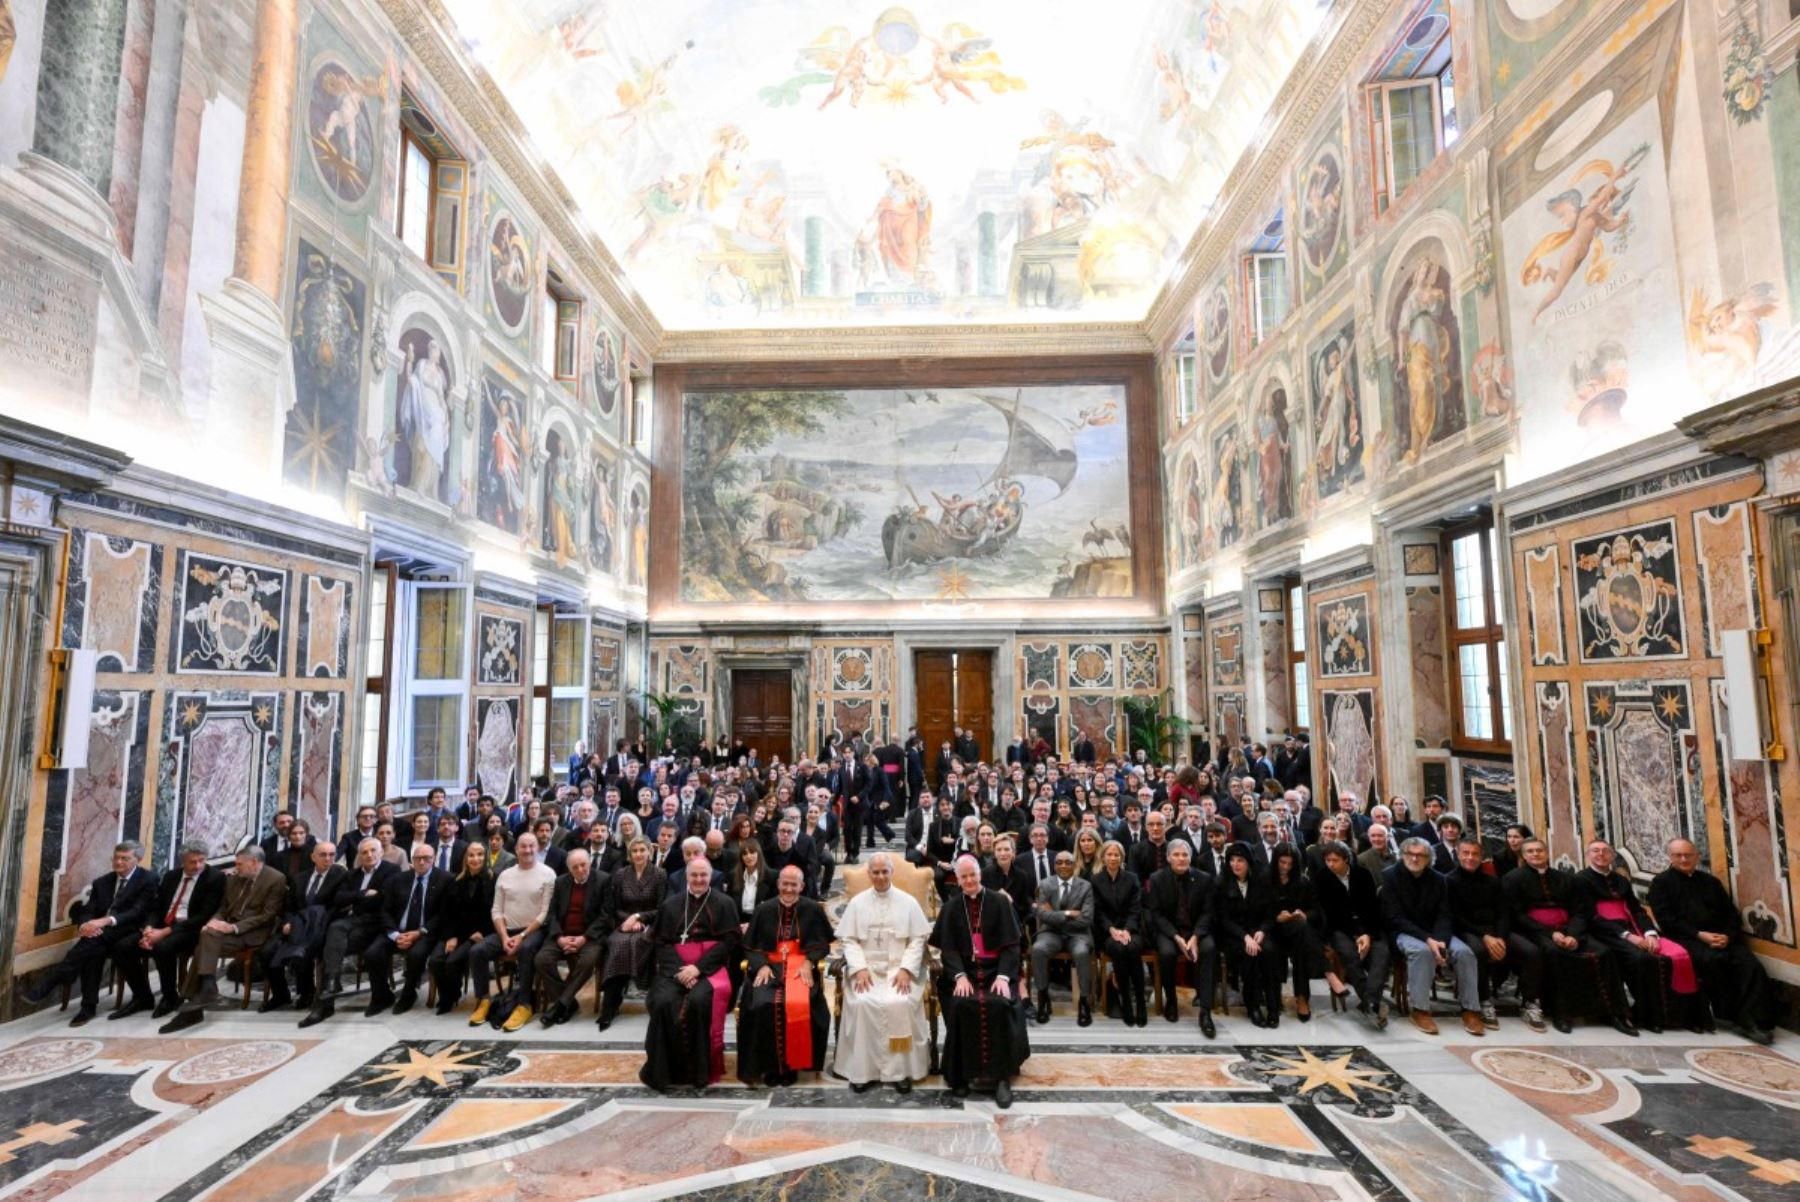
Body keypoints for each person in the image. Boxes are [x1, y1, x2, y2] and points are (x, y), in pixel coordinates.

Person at [1648, 837, 1778, 1043]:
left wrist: (1728, 936)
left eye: (1688, 855)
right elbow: (1667, 920)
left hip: (1720, 937)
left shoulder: (1711, 882)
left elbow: (1731, 915)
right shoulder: (1661, 883)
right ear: (1670, 857)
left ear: (1697, 856)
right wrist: (1699, 935)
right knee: (1714, 962)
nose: (1684, 859)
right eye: (1678, 855)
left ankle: (1759, 1020)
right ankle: (1739, 1018)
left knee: (1750, 964)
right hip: (1686, 938)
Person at [1502, 838, 1633, 1035]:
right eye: (1530, 851)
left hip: (1569, 929)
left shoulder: (1566, 878)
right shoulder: (1512, 878)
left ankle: (1614, 1013)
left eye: (1539, 850)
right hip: (1534, 931)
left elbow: (1579, 911)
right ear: (1523, 855)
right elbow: (1517, 915)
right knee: (1555, 953)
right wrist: (1550, 933)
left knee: (1604, 952)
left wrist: (1573, 935)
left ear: (1547, 853)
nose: (1536, 854)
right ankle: (1561, 1013)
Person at [931, 856, 1029, 1108]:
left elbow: (1012, 946)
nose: (969, 880)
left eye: (972, 875)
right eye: (963, 877)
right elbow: (949, 950)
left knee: (1001, 1004)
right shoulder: (951, 907)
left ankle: (1002, 1077)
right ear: (957, 879)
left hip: (997, 971)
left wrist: (1005, 976)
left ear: (980, 875)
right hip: (966, 972)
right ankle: (960, 1074)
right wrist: (959, 976)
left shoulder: (999, 902)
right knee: (961, 1004)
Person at [158, 846, 289, 1033]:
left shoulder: (275, 879)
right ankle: (205, 990)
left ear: (254, 862)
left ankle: (195, 1001)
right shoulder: (235, 879)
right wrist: (214, 921)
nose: (236, 867)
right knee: (207, 936)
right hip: (227, 930)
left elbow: (267, 916)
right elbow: (223, 908)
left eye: (239, 864)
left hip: (253, 932)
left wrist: (234, 927)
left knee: (203, 946)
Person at [1575, 839, 1700, 1034]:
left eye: (1605, 851)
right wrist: (1628, 936)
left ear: (1613, 856)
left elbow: (1637, 911)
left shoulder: (1621, 880)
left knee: (1664, 957)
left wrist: (1650, 933)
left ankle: (1664, 1016)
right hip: (1602, 931)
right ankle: (1637, 1015)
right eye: (1595, 851)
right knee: (1640, 958)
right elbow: (1591, 916)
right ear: (1587, 855)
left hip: (1631, 927)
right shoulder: (1580, 880)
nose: (1601, 854)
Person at [24, 841, 155, 1025]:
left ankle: (59, 987)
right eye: (116, 858)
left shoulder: (148, 879)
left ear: (138, 859)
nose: (118, 862)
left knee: (92, 943)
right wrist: (85, 925)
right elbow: (88, 910)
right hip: (103, 933)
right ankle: (87, 1006)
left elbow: (137, 911)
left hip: (132, 929)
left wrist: (105, 921)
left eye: (125, 859)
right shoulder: (102, 882)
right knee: (93, 948)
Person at [640, 856, 740, 1091]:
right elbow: (661, 943)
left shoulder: (725, 903)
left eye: (703, 875)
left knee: (698, 1001)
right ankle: (663, 1071)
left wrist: (698, 968)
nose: (699, 879)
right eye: (694, 875)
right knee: (662, 1001)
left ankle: (698, 1072)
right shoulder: (670, 905)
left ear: (711, 877)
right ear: (686, 877)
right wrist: (680, 971)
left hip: (709, 970)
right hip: (674, 969)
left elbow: (728, 942)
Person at [835, 853, 932, 1091]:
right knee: (862, 1003)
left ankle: (900, 1072)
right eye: (875, 872)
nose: (880, 876)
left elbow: (917, 940)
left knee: (899, 1002)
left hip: (899, 971)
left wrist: (906, 969)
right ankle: (863, 1072)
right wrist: (859, 968)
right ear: (869, 874)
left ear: (892, 872)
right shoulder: (857, 903)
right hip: (867, 971)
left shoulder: (908, 902)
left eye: (884, 872)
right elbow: (849, 939)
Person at [737, 866, 833, 1086]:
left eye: (794, 884)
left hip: (800, 967)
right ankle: (769, 1067)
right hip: (769, 967)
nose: (789, 889)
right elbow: (749, 946)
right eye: (785, 884)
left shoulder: (813, 909)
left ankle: (793, 1066)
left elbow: (824, 944)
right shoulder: (763, 909)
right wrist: (760, 965)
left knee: (800, 1003)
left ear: (802, 886)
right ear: (778, 884)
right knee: (762, 1003)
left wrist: (809, 961)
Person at [1382, 838, 1482, 1037]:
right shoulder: (1390, 876)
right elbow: (1395, 917)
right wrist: (1428, 940)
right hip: (1404, 931)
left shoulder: (1439, 879)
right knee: (1422, 952)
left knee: (1465, 953)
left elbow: (1444, 914)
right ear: (1402, 855)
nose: (1415, 858)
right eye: (1410, 854)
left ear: (1429, 858)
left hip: (1435, 932)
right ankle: (1420, 1010)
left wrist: (1442, 940)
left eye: (1420, 855)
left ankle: (1470, 1009)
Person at [116, 840, 224, 1020]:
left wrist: (163, 933)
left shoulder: (214, 878)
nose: (198, 865)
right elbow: (156, 907)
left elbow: (202, 917)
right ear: (182, 861)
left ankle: (170, 997)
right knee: (123, 947)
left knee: (162, 947)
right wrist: (149, 928)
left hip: (191, 929)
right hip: (162, 925)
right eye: (192, 862)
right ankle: (142, 997)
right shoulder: (171, 876)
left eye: (202, 860)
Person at [471, 832, 556, 1031]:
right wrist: (504, 937)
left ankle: (525, 1004)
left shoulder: (548, 874)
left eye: (531, 846)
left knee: (526, 949)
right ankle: (484, 1000)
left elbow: (545, 913)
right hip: (506, 931)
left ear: (537, 848)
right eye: (523, 846)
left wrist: (522, 936)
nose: (527, 850)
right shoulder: (505, 875)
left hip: (534, 931)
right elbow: (496, 910)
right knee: (477, 951)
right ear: (516, 849)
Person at [258, 840, 347, 1011]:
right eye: (323, 855)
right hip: (295, 924)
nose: (328, 859)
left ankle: (307, 993)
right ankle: (281, 995)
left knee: (303, 950)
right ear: (313, 857)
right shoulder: (299, 878)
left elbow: (337, 907)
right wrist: (287, 923)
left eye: (332, 855)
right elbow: (289, 906)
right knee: (267, 952)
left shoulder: (340, 876)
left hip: (320, 927)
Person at [1309, 839, 1388, 1029]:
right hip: (1338, 928)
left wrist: (1366, 934)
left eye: (1335, 860)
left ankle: (1370, 1002)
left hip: (1367, 927)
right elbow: (1330, 914)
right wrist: (1355, 935)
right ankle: (1371, 1002)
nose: (1330, 864)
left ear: (1346, 859)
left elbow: (1372, 908)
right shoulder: (1322, 878)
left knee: (1382, 952)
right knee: (1349, 954)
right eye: (1327, 860)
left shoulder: (1363, 875)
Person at [365, 843, 449, 1016]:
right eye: (418, 858)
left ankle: (408, 994)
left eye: (427, 858)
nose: (422, 862)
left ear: (434, 859)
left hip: (424, 933)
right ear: (412, 860)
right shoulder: (398, 879)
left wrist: (419, 932)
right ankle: (381, 996)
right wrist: (396, 935)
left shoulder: (445, 879)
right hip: (397, 931)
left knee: (416, 955)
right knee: (372, 953)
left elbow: (443, 915)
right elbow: (385, 910)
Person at [1146, 838, 1218, 1036]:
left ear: (1190, 857)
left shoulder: (1204, 879)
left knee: (1209, 949)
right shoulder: (1157, 879)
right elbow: (1156, 914)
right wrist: (1176, 937)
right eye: (1176, 855)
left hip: (1196, 929)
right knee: (1167, 953)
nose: (1181, 858)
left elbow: (1208, 912)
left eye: (1185, 855)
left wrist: (1195, 936)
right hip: (1169, 931)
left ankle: (1205, 1010)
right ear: (1168, 857)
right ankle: (1171, 1000)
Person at [535, 848, 611, 1027]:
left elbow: (606, 916)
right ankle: (568, 1003)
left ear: (589, 863)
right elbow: (552, 914)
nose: (580, 870)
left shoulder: (604, 880)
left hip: (590, 937)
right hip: (562, 934)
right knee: (541, 960)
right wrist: (559, 937)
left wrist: (583, 939)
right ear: (569, 869)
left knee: (587, 961)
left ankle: (560, 1005)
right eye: (575, 867)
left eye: (583, 865)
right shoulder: (561, 882)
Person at [598, 837, 667, 1030]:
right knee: (616, 944)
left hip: (649, 926)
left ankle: (625, 997)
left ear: (649, 852)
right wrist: (629, 920)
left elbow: (662, 908)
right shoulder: (621, 874)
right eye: (634, 851)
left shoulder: (660, 874)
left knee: (638, 942)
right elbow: (615, 907)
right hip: (625, 924)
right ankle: (610, 1005)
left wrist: (639, 917)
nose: (638, 854)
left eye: (642, 850)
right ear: (629, 854)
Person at [1446, 839, 1509, 1030]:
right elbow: (1455, 917)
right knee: (1478, 952)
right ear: (1458, 855)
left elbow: (1503, 912)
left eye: (1475, 854)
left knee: (1529, 951)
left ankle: (1531, 1002)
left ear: (1481, 857)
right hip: (1466, 930)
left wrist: (1501, 937)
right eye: (1466, 853)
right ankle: (1483, 999)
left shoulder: (1493, 881)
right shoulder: (1449, 880)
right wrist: (1485, 936)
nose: (1470, 857)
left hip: (1494, 930)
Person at [425, 842, 494, 1016]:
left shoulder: (493, 879)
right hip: (455, 933)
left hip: (478, 934)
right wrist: (451, 936)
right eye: (471, 855)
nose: (475, 859)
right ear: (465, 858)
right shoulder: (455, 881)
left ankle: (451, 996)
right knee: (435, 961)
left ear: (486, 857)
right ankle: (448, 995)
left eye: (480, 854)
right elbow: (446, 913)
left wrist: (481, 932)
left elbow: (494, 912)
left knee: (453, 961)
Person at [1216, 843, 1280, 1027]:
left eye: (1240, 860)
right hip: (1234, 936)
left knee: (1270, 952)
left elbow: (1270, 914)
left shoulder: (1261, 882)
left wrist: (1262, 930)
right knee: (1250, 954)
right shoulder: (1221, 883)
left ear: (1249, 862)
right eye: (1232, 860)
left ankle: (1273, 1006)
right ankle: (1253, 1006)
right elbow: (1223, 919)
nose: (1235, 864)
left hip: (1258, 932)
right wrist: (1245, 937)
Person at [1030, 849, 1095, 1027]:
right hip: (1051, 933)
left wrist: (1055, 915)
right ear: (1054, 865)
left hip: (1078, 934)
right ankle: (1043, 999)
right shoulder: (1045, 885)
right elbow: (1042, 914)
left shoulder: (1085, 886)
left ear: (1074, 865)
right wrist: (1068, 913)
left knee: (1081, 953)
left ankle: (1084, 1002)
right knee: (1038, 949)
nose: (1063, 866)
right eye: (1059, 862)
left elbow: (1086, 919)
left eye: (1068, 862)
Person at [1091, 840, 1148, 1027]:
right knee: (1119, 950)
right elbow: (1098, 912)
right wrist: (1112, 929)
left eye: (1116, 855)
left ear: (1122, 857)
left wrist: (1127, 929)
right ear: (1103, 857)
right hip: (1106, 931)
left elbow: (1136, 908)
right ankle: (1126, 1002)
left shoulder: (1132, 878)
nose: (1113, 858)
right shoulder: (1096, 880)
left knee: (1133, 948)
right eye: (1109, 854)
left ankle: (1140, 1002)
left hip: (1131, 928)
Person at [1268, 843, 1321, 1023]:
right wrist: (1276, 917)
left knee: (1301, 937)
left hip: (1296, 933)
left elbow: (1315, 910)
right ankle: (1327, 972)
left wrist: (1304, 914)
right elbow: (1257, 910)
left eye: (1290, 864)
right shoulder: (1265, 879)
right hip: (1272, 930)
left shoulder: (1303, 881)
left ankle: (1302, 997)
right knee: (1302, 933)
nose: (1286, 867)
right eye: (1282, 863)